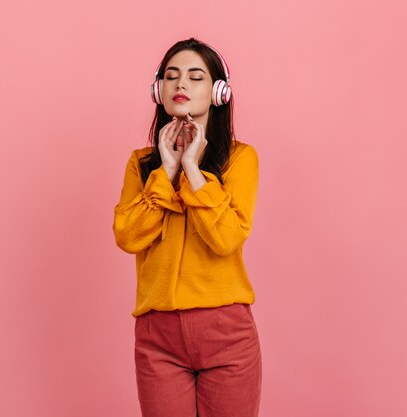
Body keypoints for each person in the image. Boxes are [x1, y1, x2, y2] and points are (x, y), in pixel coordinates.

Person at [112, 37, 262, 417]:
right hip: (157, 335)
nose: (181, 85)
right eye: (171, 76)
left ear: (218, 92)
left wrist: (193, 171)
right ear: (158, 89)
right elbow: (128, 237)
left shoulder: (241, 160)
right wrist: (167, 171)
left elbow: (226, 238)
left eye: (195, 77)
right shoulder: (141, 164)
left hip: (226, 331)